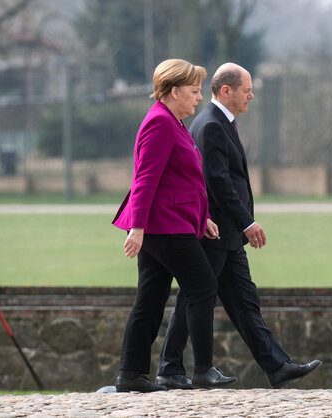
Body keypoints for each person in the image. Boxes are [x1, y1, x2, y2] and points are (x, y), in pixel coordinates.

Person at [155, 63, 322, 390]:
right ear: (226, 90)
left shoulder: (219, 122)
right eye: (246, 90)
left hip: (227, 235)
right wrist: (247, 221)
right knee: (194, 297)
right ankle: (169, 368)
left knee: (244, 301)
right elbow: (217, 182)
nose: (252, 95)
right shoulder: (212, 125)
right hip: (216, 231)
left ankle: (277, 366)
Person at [112, 58, 237, 393]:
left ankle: (131, 375)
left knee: (151, 298)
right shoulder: (160, 124)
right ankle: (203, 370)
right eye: (194, 91)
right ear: (172, 91)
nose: (199, 97)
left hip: (171, 222)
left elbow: (182, 181)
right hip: (162, 225)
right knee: (202, 285)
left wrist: (203, 218)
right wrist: (137, 227)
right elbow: (145, 180)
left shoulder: (173, 121)